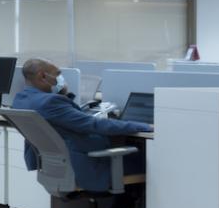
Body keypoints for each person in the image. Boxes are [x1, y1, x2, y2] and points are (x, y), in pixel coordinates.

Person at [11, 58, 148, 194]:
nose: (60, 78)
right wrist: (143, 126)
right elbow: (94, 125)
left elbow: (60, 118)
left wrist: (63, 95)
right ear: (42, 76)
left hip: (57, 166)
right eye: (57, 74)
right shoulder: (50, 102)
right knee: (150, 162)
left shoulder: (20, 100)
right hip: (86, 165)